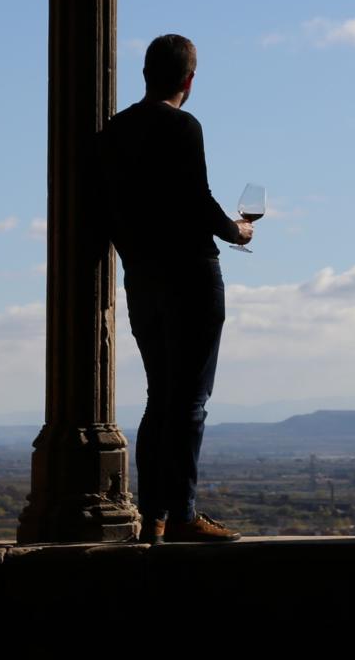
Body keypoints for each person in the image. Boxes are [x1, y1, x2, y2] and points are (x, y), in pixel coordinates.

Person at [97, 33, 254, 544]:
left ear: (146, 74)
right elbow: (197, 200)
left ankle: (152, 517)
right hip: (191, 274)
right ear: (189, 79)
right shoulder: (183, 126)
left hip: (142, 278)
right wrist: (237, 231)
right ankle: (182, 516)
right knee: (189, 401)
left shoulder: (114, 131)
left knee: (158, 398)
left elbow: (108, 208)